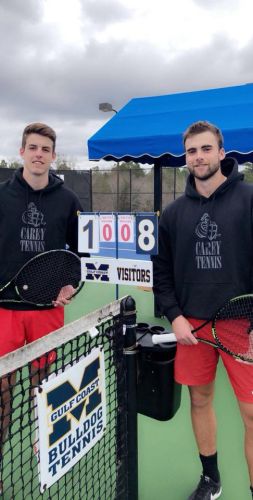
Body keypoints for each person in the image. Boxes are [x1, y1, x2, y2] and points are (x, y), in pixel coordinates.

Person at [152, 120, 253, 500]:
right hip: (192, 325)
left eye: (206, 149)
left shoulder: (248, 199)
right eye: (192, 151)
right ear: (186, 157)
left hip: (241, 324)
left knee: (252, 415)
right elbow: (161, 271)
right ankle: (211, 479)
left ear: (222, 153)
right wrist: (175, 316)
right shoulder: (174, 213)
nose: (199, 157)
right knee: (200, 401)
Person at [0, 122, 84, 493]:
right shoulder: (1, 196)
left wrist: (72, 285)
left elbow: (82, 255)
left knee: (45, 385)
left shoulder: (68, 202)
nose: (38, 154)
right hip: (3, 311)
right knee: (2, 390)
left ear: (52, 156)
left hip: (48, 309)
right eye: (32, 147)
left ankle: (45, 442)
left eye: (45, 149)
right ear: (22, 152)